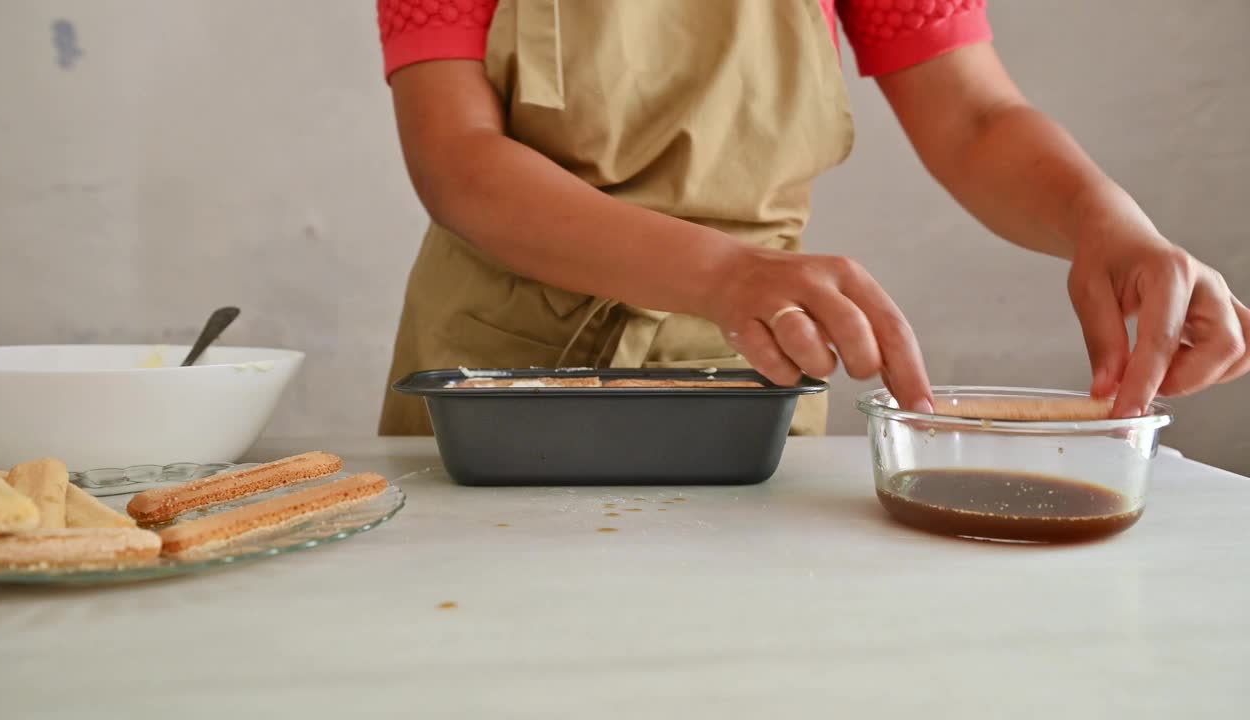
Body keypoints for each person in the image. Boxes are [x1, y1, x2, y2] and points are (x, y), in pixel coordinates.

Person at [374, 0, 1249, 436]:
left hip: (753, 370)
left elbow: (976, 119)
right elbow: (459, 163)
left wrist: (1109, 223)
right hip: (498, 378)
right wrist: (722, 274)